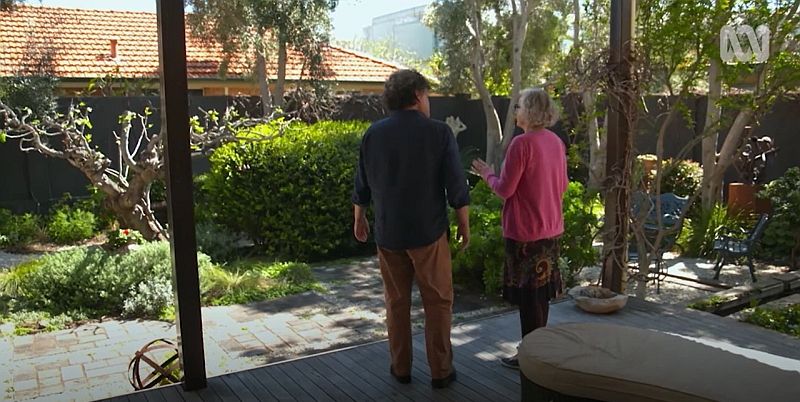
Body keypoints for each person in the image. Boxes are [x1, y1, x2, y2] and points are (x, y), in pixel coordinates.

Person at [352, 69, 470, 388]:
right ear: (417, 95)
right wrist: (464, 223)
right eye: (427, 95)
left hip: (389, 234)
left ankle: (400, 368)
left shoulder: (374, 134)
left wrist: (359, 218)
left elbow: (362, 183)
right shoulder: (438, 133)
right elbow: (456, 184)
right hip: (428, 233)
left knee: (396, 302)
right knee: (438, 302)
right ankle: (441, 372)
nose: (428, 101)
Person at [471, 88, 567, 369]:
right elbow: (562, 185)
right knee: (541, 295)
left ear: (531, 111)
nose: (516, 111)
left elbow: (505, 190)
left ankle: (531, 356)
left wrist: (486, 173)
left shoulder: (521, 144)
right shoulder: (556, 142)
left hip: (526, 233)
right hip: (551, 229)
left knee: (528, 299)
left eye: (519, 107)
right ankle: (540, 350)